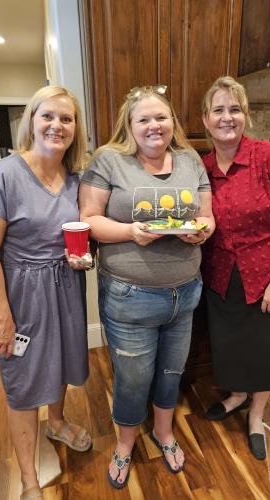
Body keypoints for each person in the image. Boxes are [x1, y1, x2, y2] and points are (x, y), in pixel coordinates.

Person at [79, 85, 215, 488]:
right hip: (129, 296)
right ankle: (124, 443)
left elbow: (207, 215)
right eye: (144, 119)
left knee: (172, 371)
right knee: (133, 377)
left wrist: (202, 232)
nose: (154, 126)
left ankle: (164, 432)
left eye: (161, 118)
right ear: (130, 125)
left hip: (186, 291)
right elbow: (88, 218)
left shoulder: (191, 159)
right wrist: (129, 231)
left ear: (172, 122)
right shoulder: (109, 160)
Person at [0, 86, 92, 500]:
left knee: (60, 365)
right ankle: (28, 480)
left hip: (66, 287)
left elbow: (79, 236)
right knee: (22, 384)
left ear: (76, 129)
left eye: (67, 118)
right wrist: (3, 318)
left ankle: (57, 423)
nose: (57, 125)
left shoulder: (76, 180)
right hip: (21, 294)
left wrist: (83, 260)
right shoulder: (3, 175)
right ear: (32, 121)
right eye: (48, 116)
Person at [200, 76, 270, 460]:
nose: (227, 117)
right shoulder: (202, 168)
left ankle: (256, 415)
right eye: (219, 110)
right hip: (223, 273)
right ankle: (238, 396)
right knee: (233, 346)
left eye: (235, 109)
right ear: (205, 120)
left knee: (265, 347)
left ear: (245, 116)